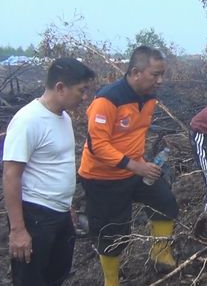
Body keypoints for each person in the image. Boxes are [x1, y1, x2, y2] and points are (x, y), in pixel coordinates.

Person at [78, 46, 178, 286]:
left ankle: (160, 253)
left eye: (162, 74)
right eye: (155, 74)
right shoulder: (108, 99)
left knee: (165, 202)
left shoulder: (149, 97)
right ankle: (111, 281)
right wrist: (135, 166)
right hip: (102, 177)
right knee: (114, 233)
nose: (160, 80)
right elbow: (97, 146)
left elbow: (133, 133)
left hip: (134, 168)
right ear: (135, 72)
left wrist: (140, 162)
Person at [2, 58, 95, 286]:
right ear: (60, 87)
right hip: (35, 217)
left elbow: (56, 166)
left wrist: (68, 206)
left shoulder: (63, 118)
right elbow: (11, 175)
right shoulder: (28, 121)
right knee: (31, 280)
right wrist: (18, 230)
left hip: (60, 214)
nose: (84, 97)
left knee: (56, 277)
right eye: (81, 91)